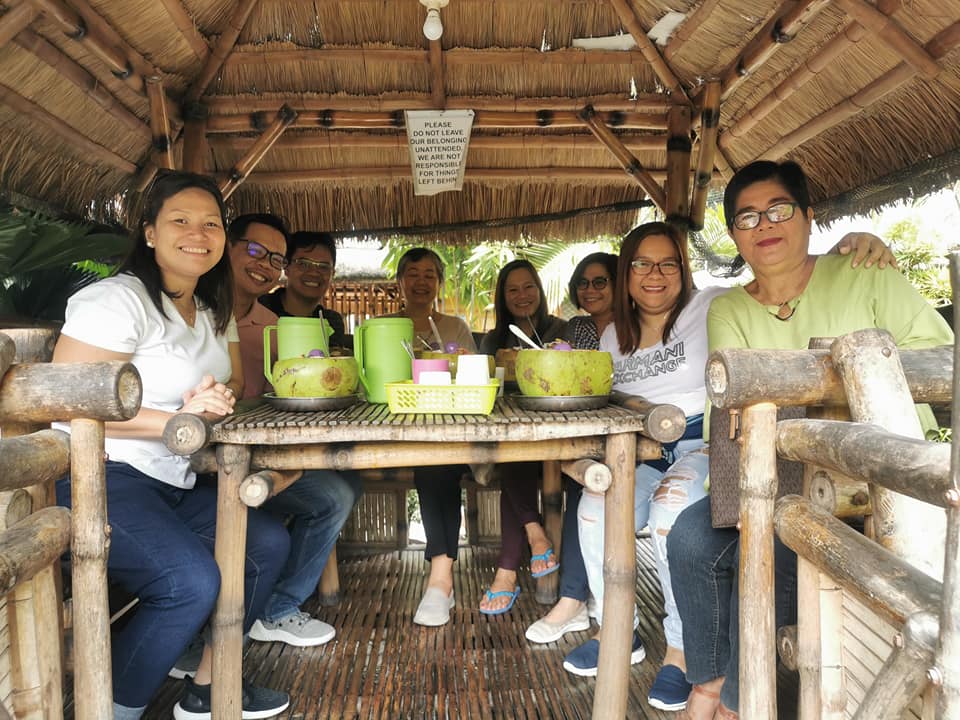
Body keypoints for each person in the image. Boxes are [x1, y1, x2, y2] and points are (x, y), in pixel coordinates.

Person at [669, 160, 953, 720]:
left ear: (807, 216)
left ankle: (732, 704)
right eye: (748, 216)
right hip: (768, 476)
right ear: (733, 235)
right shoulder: (729, 306)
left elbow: (940, 355)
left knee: (779, 539)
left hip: (872, 478)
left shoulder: (865, 273)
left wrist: (840, 385)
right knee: (688, 539)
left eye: (779, 209)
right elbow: (731, 400)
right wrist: (832, 379)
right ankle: (710, 679)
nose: (765, 224)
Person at [52, 171, 291, 720]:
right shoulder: (116, 299)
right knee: (188, 581)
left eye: (210, 223)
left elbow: (220, 385)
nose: (197, 233)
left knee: (265, 544)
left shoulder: (204, 311)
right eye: (180, 220)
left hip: (171, 481)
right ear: (151, 233)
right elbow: (69, 400)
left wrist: (214, 396)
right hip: (96, 478)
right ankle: (112, 708)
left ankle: (207, 686)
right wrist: (176, 418)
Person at [562, 223, 719, 708]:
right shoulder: (613, 336)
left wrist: (844, 251)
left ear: (683, 269)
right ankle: (619, 630)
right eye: (642, 264)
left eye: (668, 262)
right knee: (594, 505)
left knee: (670, 513)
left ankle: (681, 649)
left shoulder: (710, 305)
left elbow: (773, 284)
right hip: (640, 450)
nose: (655, 274)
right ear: (626, 273)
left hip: (704, 444)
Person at [227, 213, 361, 647]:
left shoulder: (271, 326)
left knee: (339, 490)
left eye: (274, 257)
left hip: (258, 450)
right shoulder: (201, 312)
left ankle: (277, 607)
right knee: (332, 491)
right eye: (253, 252)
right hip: (202, 454)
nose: (264, 265)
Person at [525, 252, 618, 641]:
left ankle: (574, 598)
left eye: (600, 282)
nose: (590, 289)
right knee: (581, 479)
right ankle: (579, 596)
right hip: (587, 422)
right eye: (583, 283)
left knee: (587, 486)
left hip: (621, 426)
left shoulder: (635, 324)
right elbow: (577, 374)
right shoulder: (580, 327)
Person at [382, 247, 476, 626]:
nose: (421, 282)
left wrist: (465, 361)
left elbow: (473, 378)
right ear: (401, 281)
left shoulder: (455, 327)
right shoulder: (384, 327)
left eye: (429, 275)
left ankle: (440, 578)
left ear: (439, 283)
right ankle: (441, 579)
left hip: (449, 431)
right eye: (413, 274)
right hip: (393, 432)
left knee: (437, 463)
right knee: (431, 460)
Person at [477, 260, 568, 614]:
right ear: (502, 298)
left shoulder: (560, 331)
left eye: (528, 286)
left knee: (515, 457)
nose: (522, 295)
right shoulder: (492, 340)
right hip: (509, 430)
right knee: (514, 454)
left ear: (540, 291)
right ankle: (535, 535)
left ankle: (507, 573)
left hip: (557, 431)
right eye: (512, 289)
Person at [259, 230, 351, 350]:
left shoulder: (330, 322)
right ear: (286, 267)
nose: (313, 272)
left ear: (332, 274)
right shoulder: (262, 309)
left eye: (323, 267)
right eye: (303, 264)